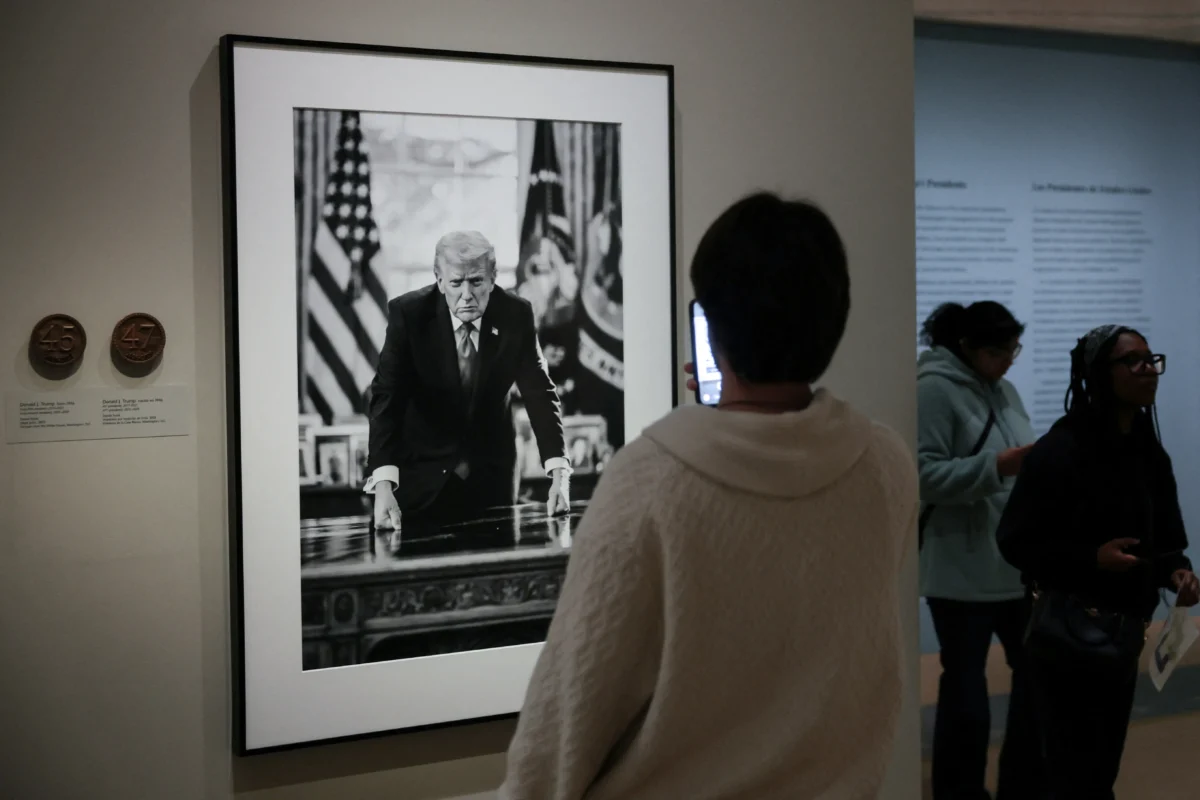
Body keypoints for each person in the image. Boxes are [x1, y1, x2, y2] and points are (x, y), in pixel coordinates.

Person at [496, 192, 919, 799]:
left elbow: (563, 724)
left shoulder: (649, 481)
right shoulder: (885, 465)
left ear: (712, 325)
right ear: (835, 316)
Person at [996, 324, 1200, 799]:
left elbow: (1166, 539)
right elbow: (1015, 541)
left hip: (1123, 634)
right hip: (1067, 636)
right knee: (1075, 773)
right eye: (1132, 360)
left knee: (1100, 765)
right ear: (1096, 374)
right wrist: (1091, 559)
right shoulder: (1061, 450)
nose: (1148, 369)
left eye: (1152, 359)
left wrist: (1178, 572)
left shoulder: (1149, 451)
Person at [916, 301, 1045, 799]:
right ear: (968, 347)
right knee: (966, 691)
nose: (1009, 360)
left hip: (1014, 565)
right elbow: (923, 476)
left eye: (1014, 349)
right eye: (999, 351)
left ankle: (1023, 784)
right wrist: (997, 467)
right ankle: (960, 791)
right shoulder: (933, 391)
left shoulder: (1005, 390)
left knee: (1035, 678)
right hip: (959, 569)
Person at [363, 230, 571, 534]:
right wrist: (382, 486)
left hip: (492, 482)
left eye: (476, 281)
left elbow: (540, 394)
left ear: (492, 277)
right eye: (455, 283)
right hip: (421, 480)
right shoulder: (409, 315)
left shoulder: (516, 314)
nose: (466, 295)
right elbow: (386, 399)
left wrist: (559, 476)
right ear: (439, 279)